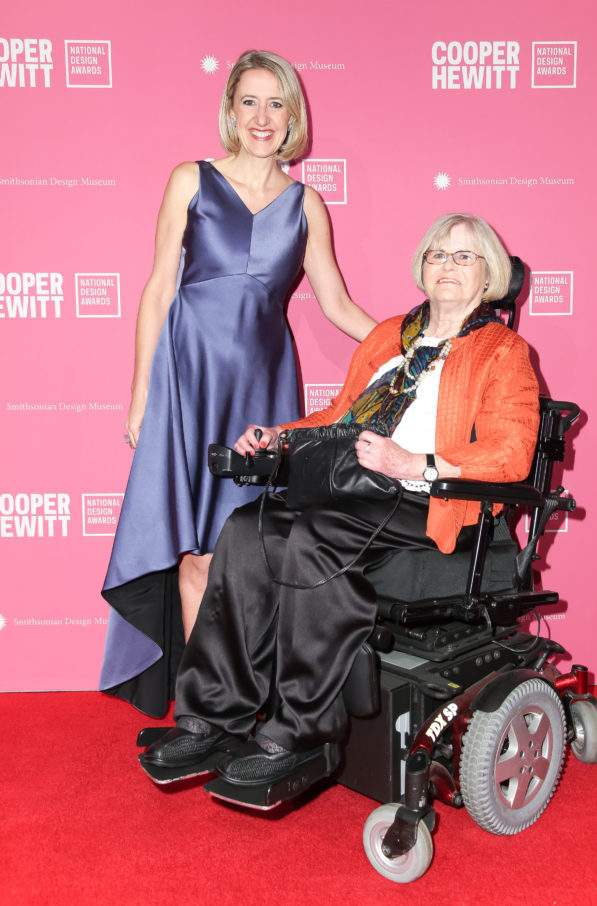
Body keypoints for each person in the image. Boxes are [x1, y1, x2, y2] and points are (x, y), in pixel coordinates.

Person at [141, 213, 541, 785]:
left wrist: (413, 464)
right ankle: (213, 717)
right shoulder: (388, 337)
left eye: (463, 256)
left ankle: (301, 732)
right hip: (354, 490)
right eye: (437, 255)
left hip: (429, 500)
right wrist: (281, 436)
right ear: (421, 268)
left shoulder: (502, 352)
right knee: (247, 527)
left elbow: (511, 452)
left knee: (310, 537)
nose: (446, 266)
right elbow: (338, 418)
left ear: (490, 275)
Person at [100, 50, 376, 718]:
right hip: (188, 377)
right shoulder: (189, 181)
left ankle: (253, 694)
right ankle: (205, 707)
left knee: (246, 544)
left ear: (293, 117)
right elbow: (160, 286)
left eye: (275, 103)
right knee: (193, 548)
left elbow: (336, 305)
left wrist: (409, 343)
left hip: (263, 383)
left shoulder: (307, 203)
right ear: (230, 110)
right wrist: (142, 391)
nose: (261, 117)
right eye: (248, 102)